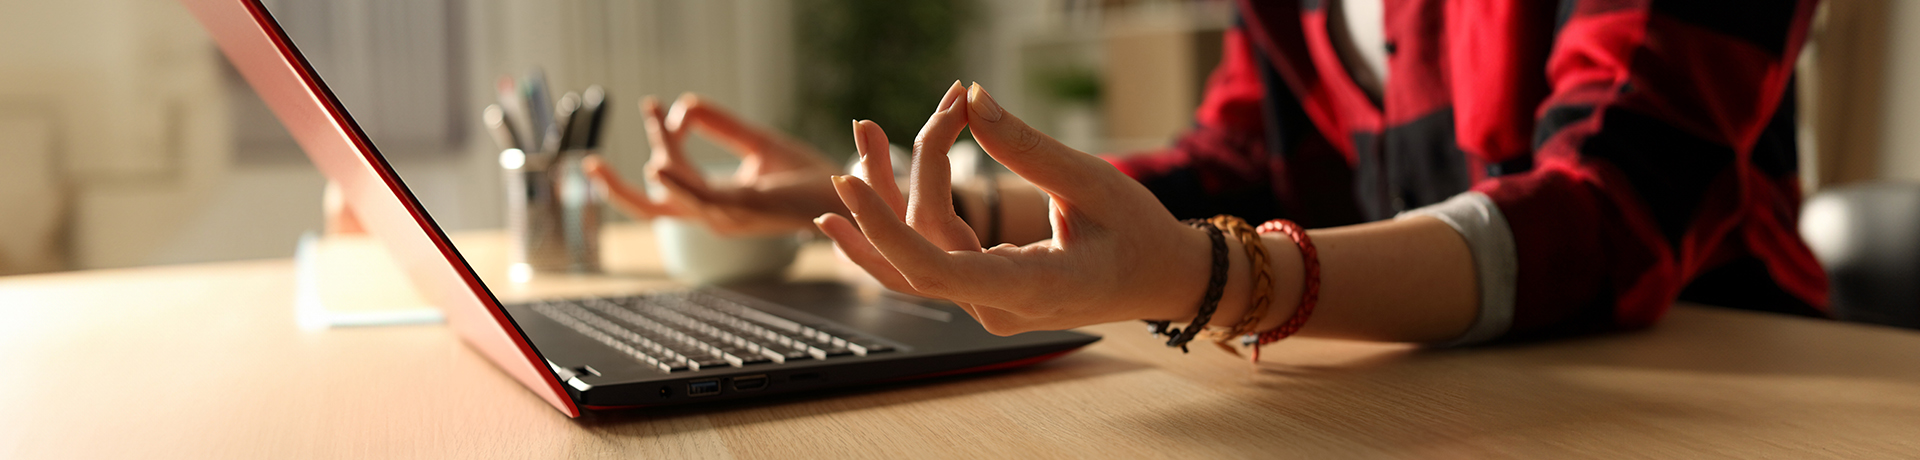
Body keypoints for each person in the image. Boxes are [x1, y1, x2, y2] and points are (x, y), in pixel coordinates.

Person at [587, 0, 1829, 351]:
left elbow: (1605, 206)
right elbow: (1232, 160)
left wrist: (1216, 275)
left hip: (1738, 383)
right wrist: (924, 211)